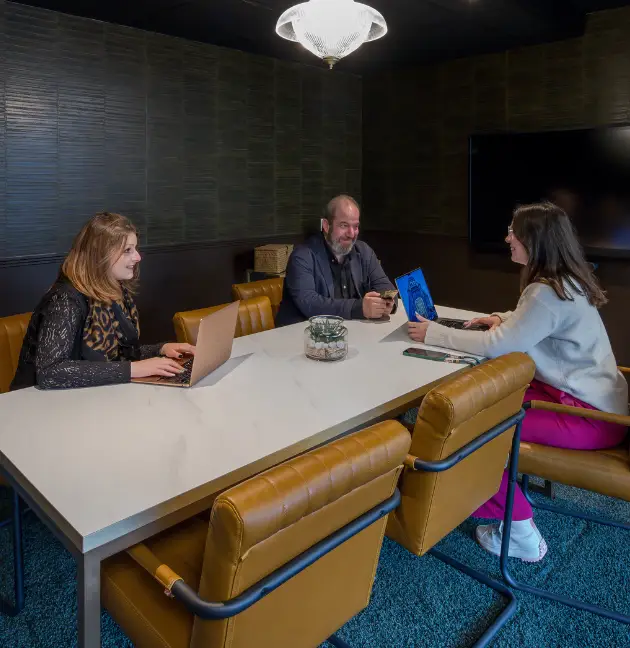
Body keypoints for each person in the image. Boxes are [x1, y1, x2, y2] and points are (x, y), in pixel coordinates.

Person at [407, 201, 628, 562]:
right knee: (481, 407)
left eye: (514, 231)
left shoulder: (547, 292)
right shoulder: (564, 282)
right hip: (597, 406)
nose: (507, 236)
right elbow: (529, 320)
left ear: (534, 240)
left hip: (590, 419)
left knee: (470, 432)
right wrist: (498, 316)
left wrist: (433, 333)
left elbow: (500, 345)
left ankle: (521, 530)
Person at [11, 212, 194, 390]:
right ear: (100, 256)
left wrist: (160, 349)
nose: (138, 257)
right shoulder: (65, 300)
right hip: (39, 407)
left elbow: (115, 358)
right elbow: (50, 372)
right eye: (127, 250)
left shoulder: (111, 292)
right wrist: (133, 369)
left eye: (135, 249)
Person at [276, 195, 397, 326]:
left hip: (346, 333)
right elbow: (310, 304)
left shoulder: (364, 251)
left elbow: (384, 285)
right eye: (344, 225)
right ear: (326, 226)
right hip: (301, 336)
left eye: (355, 226)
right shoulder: (302, 256)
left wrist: (388, 303)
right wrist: (358, 308)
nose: (351, 233)